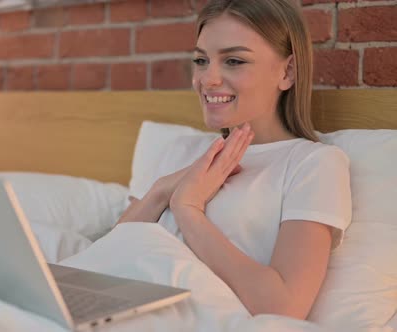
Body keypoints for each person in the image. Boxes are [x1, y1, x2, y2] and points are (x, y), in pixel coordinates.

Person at [115, 0, 352, 321]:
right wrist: (160, 190)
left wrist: (188, 209)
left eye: (234, 61)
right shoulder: (177, 152)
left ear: (288, 71)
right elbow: (105, 260)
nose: (207, 79)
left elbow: (284, 306)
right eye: (201, 60)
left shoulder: (313, 164)